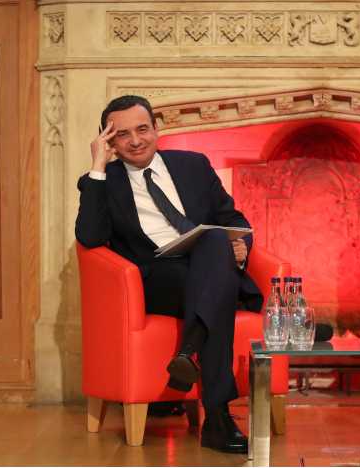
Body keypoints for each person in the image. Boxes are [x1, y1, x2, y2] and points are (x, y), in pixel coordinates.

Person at [75, 95, 260, 454]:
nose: (136, 140)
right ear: (109, 141)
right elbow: (90, 237)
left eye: (143, 129)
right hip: (158, 280)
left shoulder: (193, 165)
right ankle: (218, 417)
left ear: (157, 130)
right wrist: (98, 164)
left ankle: (190, 353)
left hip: (208, 270)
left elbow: (233, 219)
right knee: (213, 257)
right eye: (122, 134)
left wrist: (241, 246)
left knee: (213, 242)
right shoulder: (101, 181)